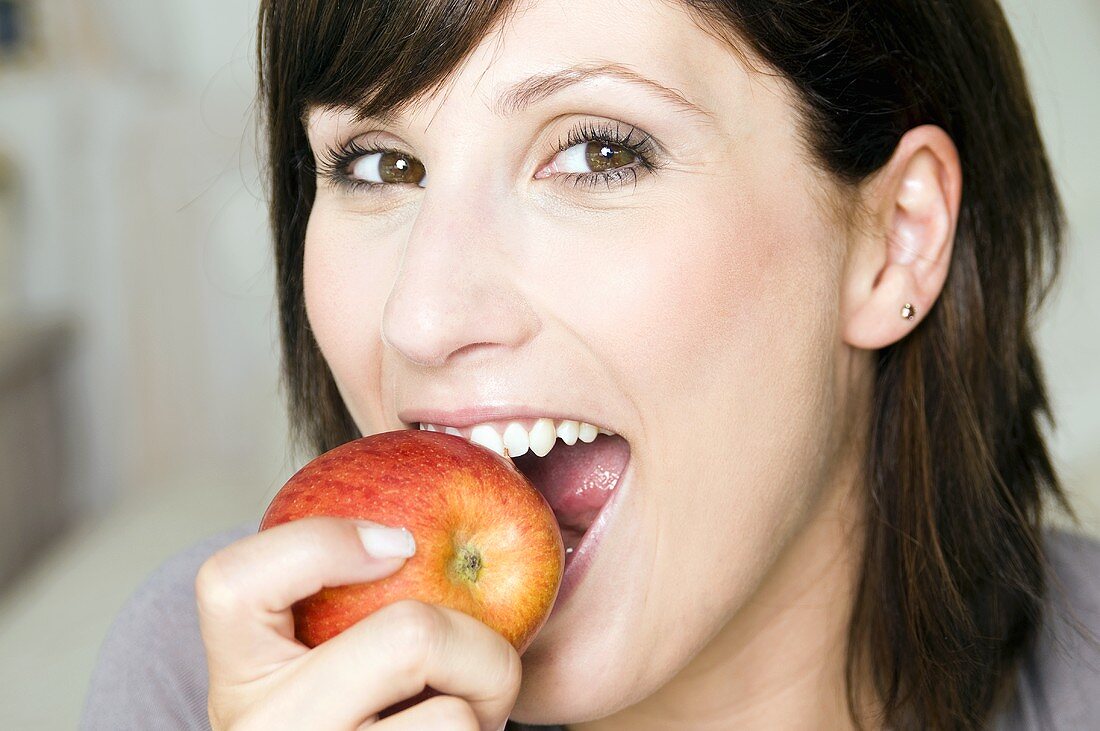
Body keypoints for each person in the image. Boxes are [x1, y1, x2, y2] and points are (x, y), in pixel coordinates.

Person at [81, 0, 1100, 729]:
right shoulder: (208, 674)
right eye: (379, 165)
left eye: (597, 152)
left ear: (893, 239)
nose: (421, 317)